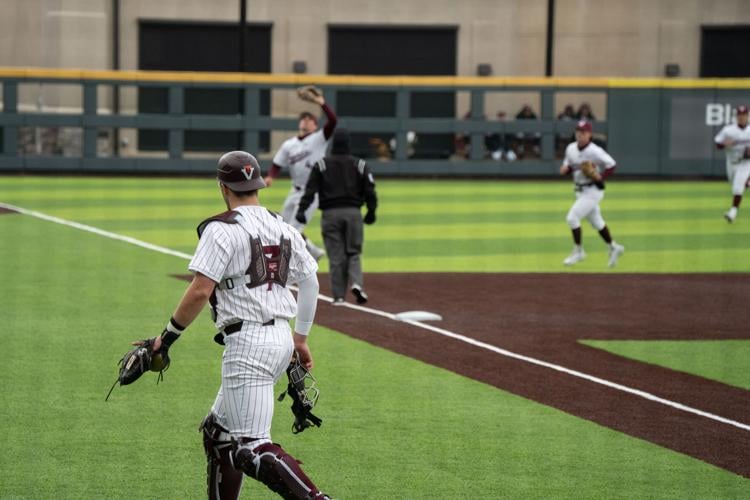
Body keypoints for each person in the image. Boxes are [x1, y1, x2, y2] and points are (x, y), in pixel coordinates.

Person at [140, 151, 330, 499]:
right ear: (257, 183)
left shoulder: (221, 229)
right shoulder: (283, 225)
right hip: (281, 340)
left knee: (250, 448)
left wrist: (165, 339)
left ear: (222, 186)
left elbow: (200, 290)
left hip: (249, 346)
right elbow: (311, 283)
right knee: (217, 432)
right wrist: (300, 339)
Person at [296, 129, 378, 305]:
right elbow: (370, 191)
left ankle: (339, 296)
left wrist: (302, 211)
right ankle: (356, 283)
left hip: (330, 215)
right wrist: (371, 211)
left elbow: (309, 191)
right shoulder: (360, 164)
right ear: (348, 145)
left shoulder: (322, 165)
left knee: (336, 255)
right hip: (353, 213)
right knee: (353, 252)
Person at [264, 89, 338, 261]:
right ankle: (313, 250)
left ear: (315, 125)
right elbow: (277, 163)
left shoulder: (320, 138)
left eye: (309, 119)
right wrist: (270, 177)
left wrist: (322, 103)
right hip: (294, 190)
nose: (305, 121)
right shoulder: (289, 144)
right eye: (303, 118)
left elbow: (333, 121)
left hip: (312, 192)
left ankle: (296, 264)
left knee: (293, 231)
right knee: (283, 227)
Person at [560, 120, 625, 267]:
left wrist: (601, 177)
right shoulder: (570, 148)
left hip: (593, 191)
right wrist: (566, 170)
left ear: (589, 134)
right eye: (578, 131)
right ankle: (614, 247)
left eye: (583, 132)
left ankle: (579, 252)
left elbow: (611, 164)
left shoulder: (595, 151)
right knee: (597, 222)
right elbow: (569, 165)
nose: (579, 134)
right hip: (579, 190)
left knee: (572, 218)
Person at [714, 104, 750, 223]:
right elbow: (717, 143)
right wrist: (725, 144)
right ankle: (748, 183)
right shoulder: (728, 130)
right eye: (740, 115)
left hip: (745, 163)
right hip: (731, 163)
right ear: (736, 116)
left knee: (737, 188)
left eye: (744, 115)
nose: (742, 117)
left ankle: (732, 213)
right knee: (735, 183)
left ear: (748, 116)